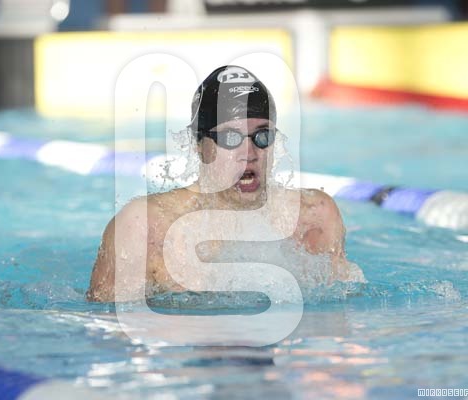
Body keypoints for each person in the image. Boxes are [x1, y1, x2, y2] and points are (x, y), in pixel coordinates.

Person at [87, 65, 362, 303]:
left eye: (262, 136)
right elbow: (108, 329)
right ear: (199, 144)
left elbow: (336, 314)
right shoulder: (146, 227)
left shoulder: (312, 217)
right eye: (230, 138)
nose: (249, 153)